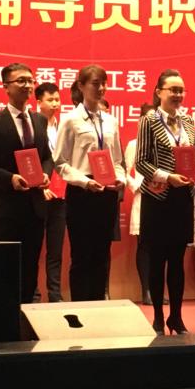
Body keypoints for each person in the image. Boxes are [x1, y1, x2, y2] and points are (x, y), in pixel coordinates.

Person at [0, 64, 52, 303]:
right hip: (6, 208)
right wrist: (9, 178)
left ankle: (25, 315)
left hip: (35, 207)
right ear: (6, 87)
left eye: (30, 80)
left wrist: (45, 174)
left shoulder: (40, 120)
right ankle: (3, 317)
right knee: (5, 268)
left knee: (30, 267)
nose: (27, 85)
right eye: (20, 81)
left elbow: (47, 156)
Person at [52, 65, 126, 301]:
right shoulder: (70, 120)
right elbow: (60, 162)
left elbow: (117, 160)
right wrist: (85, 182)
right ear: (81, 86)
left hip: (107, 191)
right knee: (82, 255)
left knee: (101, 255)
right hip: (82, 192)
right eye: (95, 83)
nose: (101, 88)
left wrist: (121, 179)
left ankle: (97, 307)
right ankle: (79, 308)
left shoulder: (111, 121)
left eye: (104, 83)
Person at [134, 70, 195, 334]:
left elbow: (193, 156)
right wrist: (167, 177)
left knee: (178, 260)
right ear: (159, 92)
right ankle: (159, 317)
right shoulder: (149, 120)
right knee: (158, 260)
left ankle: (177, 317)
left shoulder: (188, 121)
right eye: (172, 89)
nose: (178, 94)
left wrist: (194, 175)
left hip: (182, 199)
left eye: (181, 90)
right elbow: (140, 162)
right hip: (158, 198)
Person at [35, 81, 66, 302]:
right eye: (50, 100)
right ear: (39, 102)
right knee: (34, 248)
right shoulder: (33, 126)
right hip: (38, 193)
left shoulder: (63, 127)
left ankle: (55, 295)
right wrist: (39, 187)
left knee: (56, 249)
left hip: (61, 193)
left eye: (57, 99)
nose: (55, 103)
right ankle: (33, 294)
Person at [124, 102, 156, 304]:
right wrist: (138, 186)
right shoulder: (134, 144)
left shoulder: (164, 143)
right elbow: (125, 171)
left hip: (162, 198)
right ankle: (146, 290)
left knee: (160, 246)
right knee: (144, 245)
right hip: (143, 198)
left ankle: (157, 288)